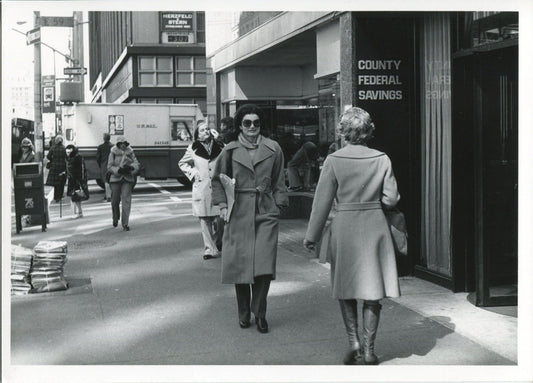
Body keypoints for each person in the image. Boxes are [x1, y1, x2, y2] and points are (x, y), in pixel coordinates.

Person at [303, 107, 401, 365]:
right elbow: (391, 199)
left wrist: (311, 236)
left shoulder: (334, 160)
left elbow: (321, 204)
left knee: (346, 286)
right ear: (368, 131)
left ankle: (354, 342)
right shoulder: (382, 158)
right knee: (373, 289)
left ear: (343, 131)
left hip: (345, 226)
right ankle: (369, 351)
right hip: (374, 226)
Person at [212, 103, 289, 334]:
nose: (252, 127)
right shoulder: (230, 150)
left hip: (265, 210)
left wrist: (279, 204)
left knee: (264, 266)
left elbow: (279, 180)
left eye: (256, 122)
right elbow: (217, 179)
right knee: (240, 265)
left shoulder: (273, 148)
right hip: (238, 211)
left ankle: (261, 313)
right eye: (247, 123)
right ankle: (244, 312)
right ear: (240, 125)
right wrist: (223, 206)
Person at [179, 122, 225, 260]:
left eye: (207, 129)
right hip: (202, 187)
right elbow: (182, 163)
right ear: (198, 134)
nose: (206, 131)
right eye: (203, 130)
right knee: (205, 220)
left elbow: (230, 154)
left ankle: (217, 242)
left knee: (220, 219)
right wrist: (193, 173)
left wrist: (220, 140)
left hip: (218, 187)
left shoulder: (220, 146)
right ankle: (209, 249)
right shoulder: (192, 148)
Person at [107, 135, 140, 231]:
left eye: (124, 144)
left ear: (126, 143)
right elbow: (109, 166)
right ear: (117, 144)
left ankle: (125, 223)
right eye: (120, 144)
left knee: (126, 200)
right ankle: (115, 217)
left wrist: (131, 168)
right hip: (115, 178)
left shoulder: (130, 151)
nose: (122, 146)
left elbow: (136, 163)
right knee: (115, 201)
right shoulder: (113, 152)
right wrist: (118, 170)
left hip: (127, 178)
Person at [65, 144, 88, 219]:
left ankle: (80, 212)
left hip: (77, 180)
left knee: (76, 196)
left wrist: (81, 180)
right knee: (75, 196)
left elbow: (81, 170)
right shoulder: (73, 157)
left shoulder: (77, 157)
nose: (67, 153)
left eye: (69, 152)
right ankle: (79, 212)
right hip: (73, 179)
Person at [46, 135, 67, 202]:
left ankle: (55, 196)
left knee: (55, 183)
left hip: (54, 167)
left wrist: (53, 159)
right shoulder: (64, 148)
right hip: (62, 167)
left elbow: (48, 156)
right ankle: (60, 196)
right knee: (61, 182)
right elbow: (67, 157)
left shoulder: (53, 148)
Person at [96, 133, 113, 202]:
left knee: (106, 181)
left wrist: (100, 164)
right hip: (112, 165)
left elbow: (98, 158)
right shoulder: (113, 147)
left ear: (104, 138)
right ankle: (112, 195)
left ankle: (108, 196)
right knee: (112, 180)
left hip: (104, 165)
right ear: (109, 138)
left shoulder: (100, 147)